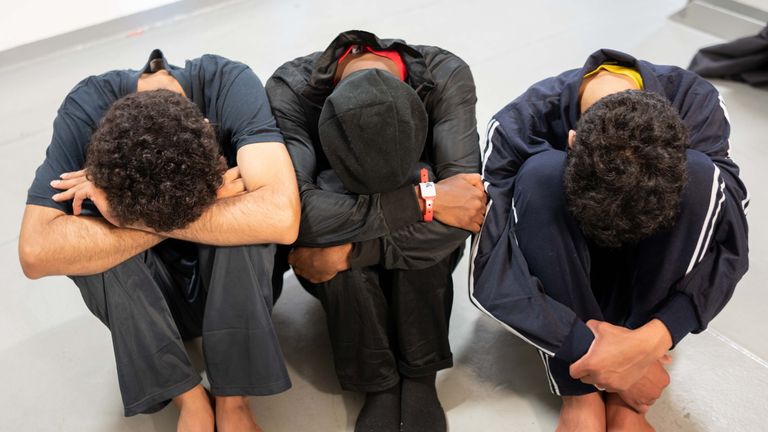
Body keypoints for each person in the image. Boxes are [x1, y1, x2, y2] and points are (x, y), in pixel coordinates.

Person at [18, 49, 300, 432]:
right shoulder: (86, 107)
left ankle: (233, 400)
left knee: (251, 220)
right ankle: (191, 400)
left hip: (237, 292)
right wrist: (195, 204)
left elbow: (282, 218)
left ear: (205, 128)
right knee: (81, 225)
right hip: (153, 305)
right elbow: (36, 252)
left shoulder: (229, 84)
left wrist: (122, 213)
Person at [470, 48, 749, 431]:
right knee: (538, 175)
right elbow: (490, 266)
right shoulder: (522, 122)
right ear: (571, 140)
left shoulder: (695, 102)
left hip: (650, 279)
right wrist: (586, 351)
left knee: (704, 177)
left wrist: (653, 338)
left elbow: (730, 237)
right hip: (567, 278)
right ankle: (580, 394)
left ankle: (625, 403)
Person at [266, 30, 485, 432]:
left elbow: (469, 206)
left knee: (427, 180)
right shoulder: (290, 90)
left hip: (341, 253)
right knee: (327, 200)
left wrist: (351, 251)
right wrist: (419, 202)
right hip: (330, 243)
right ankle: (377, 382)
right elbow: (292, 211)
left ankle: (420, 373)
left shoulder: (445, 76)